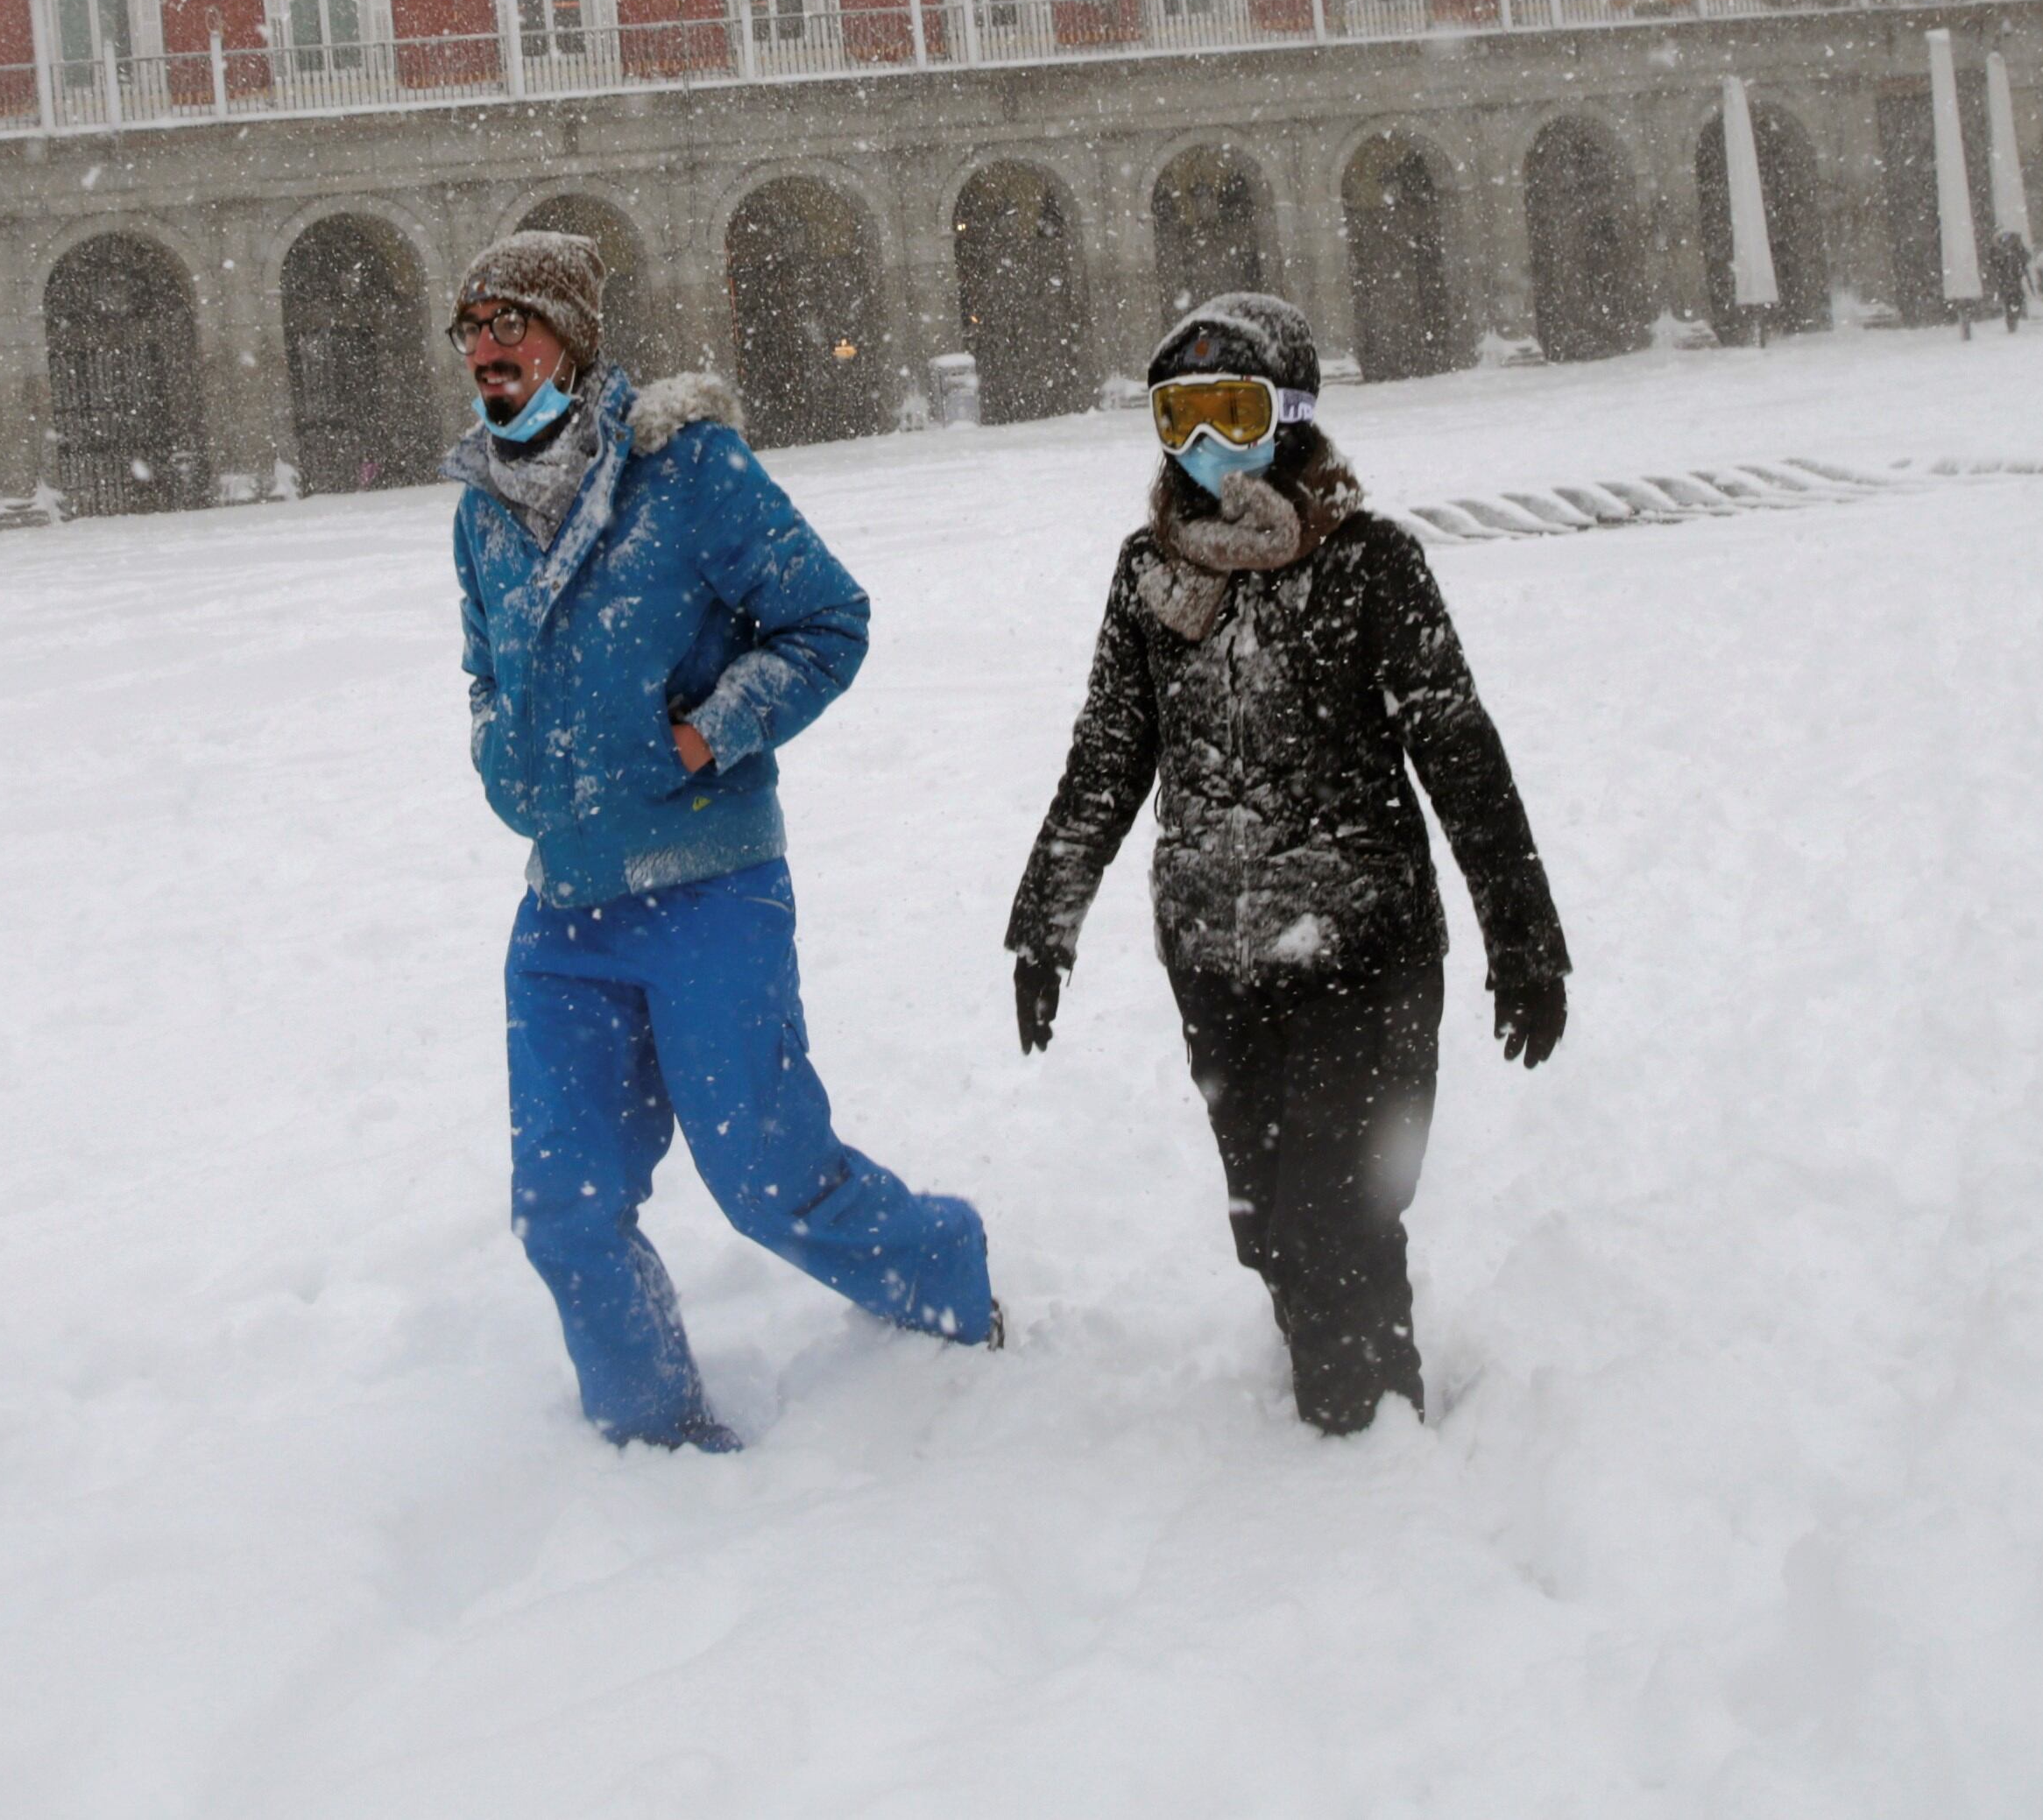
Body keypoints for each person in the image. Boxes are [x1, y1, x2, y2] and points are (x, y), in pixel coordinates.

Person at [445, 230, 995, 1452]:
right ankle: (653, 1440)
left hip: (709, 891)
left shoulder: (684, 470)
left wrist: (709, 733)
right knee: (563, 1209)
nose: (486, 352)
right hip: (565, 912)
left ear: (570, 340)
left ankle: (947, 1277)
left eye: (509, 325)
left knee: (765, 1181)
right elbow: (483, 668)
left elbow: (826, 622)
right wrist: (499, 755)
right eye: (470, 331)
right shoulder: (479, 510)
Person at [1007, 293, 1570, 1436]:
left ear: (1292, 417)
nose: (1206, 442)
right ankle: (1324, 1350)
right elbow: (1107, 755)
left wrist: (1522, 935)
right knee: (1265, 1217)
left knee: (1343, 1211)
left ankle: (1368, 1449)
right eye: (1179, 416)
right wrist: (1042, 921)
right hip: (1215, 952)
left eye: (1233, 409)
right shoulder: (1148, 575)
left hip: (1364, 948)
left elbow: (1457, 751)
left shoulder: (1370, 566)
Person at [1982, 227, 2033, 334]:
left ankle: (2013, 319)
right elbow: (1993, 261)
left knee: (2014, 298)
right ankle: (2012, 320)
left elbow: (2026, 257)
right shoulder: (1999, 248)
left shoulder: (2015, 247)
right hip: (2007, 278)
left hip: (2011, 277)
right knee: (2011, 299)